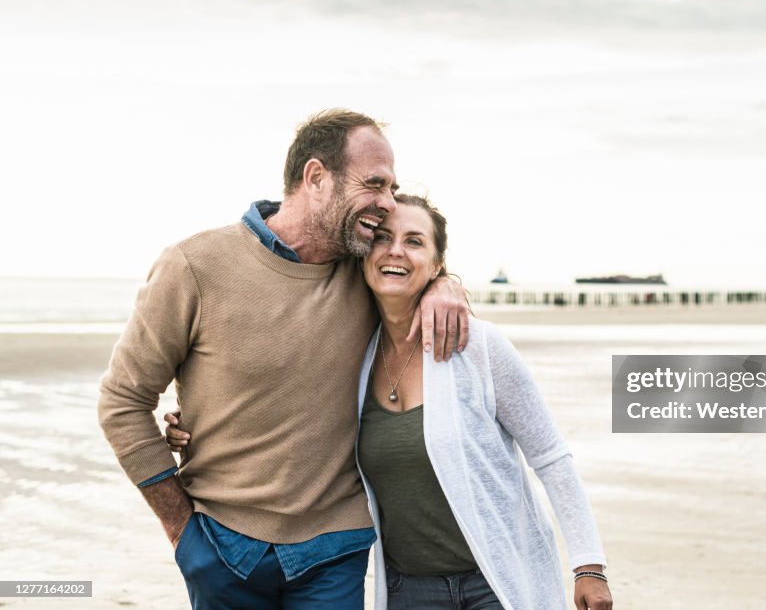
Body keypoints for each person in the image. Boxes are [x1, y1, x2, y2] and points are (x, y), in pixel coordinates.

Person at [97, 109, 470, 610]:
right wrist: (181, 531)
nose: (387, 204)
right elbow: (122, 402)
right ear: (316, 177)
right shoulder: (194, 266)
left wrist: (448, 286)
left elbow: (416, 265)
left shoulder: (364, 270)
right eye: (375, 185)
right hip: (222, 544)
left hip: (335, 546)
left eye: (391, 188)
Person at [168, 195, 614, 610]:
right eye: (382, 239)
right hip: (407, 591)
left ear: (437, 264)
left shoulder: (478, 348)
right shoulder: (351, 351)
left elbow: (551, 457)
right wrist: (202, 421)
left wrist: (588, 565)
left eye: (414, 242)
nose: (396, 251)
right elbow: (284, 400)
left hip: (495, 581)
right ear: (364, 256)